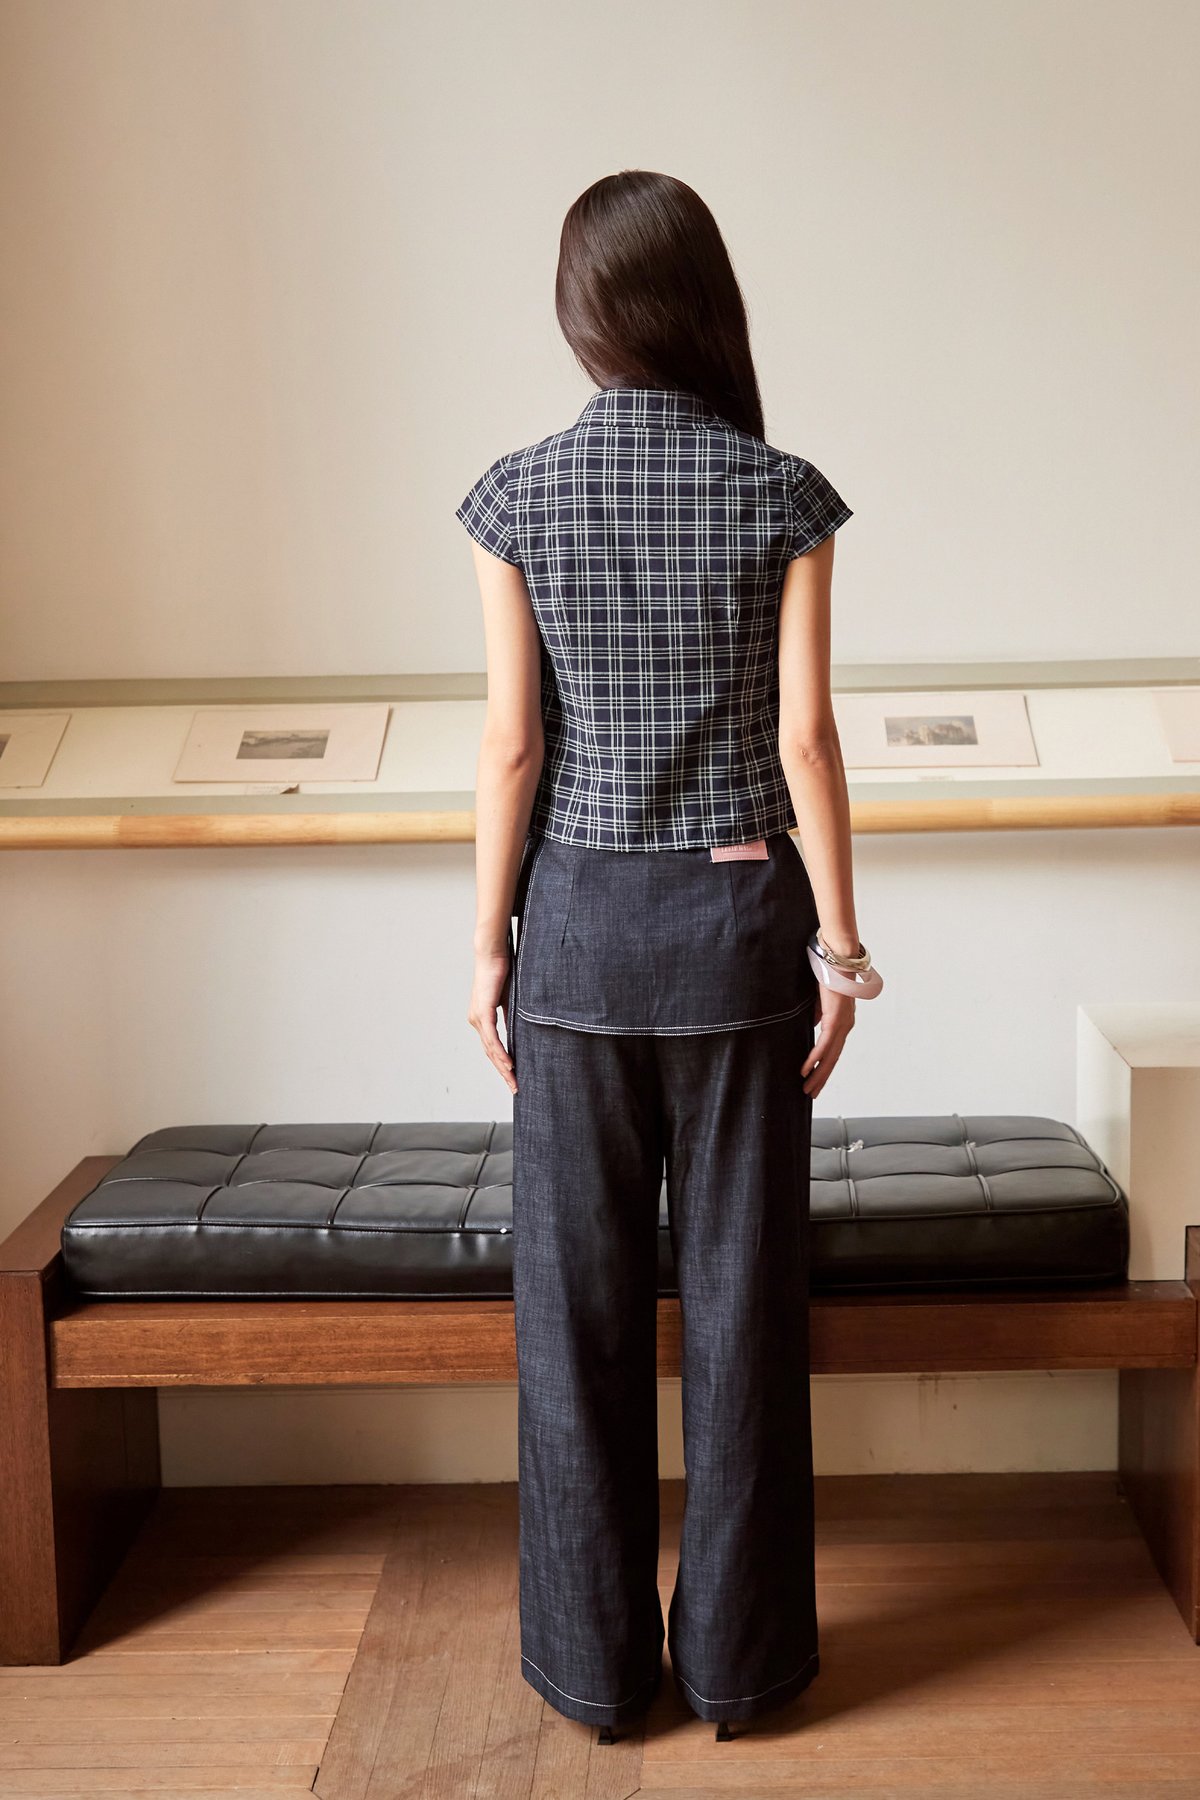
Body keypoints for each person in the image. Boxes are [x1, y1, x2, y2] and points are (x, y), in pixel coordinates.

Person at [456, 169, 874, 1745]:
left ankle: (592, 1670)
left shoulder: (514, 498)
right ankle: (743, 1672)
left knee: (574, 1328)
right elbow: (807, 741)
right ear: (703, 303)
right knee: (743, 1316)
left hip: (571, 949)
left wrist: (486, 952)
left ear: (583, 319)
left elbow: (513, 749)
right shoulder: (784, 494)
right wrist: (843, 950)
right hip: (738, 947)